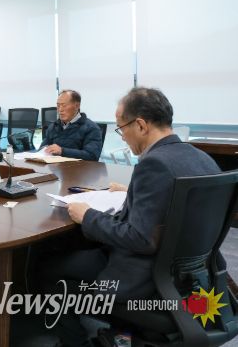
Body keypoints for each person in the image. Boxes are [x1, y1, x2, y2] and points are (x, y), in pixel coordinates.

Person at [38, 87, 220, 346]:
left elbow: (140, 238)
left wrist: (88, 215)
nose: (122, 136)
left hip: (144, 278)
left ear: (141, 125)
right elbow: (175, 204)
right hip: (188, 278)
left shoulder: (154, 164)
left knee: (48, 268)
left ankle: (75, 342)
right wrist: (132, 193)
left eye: (122, 128)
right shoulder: (202, 159)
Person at [39, 89, 103, 161]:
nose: (60, 109)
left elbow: (92, 156)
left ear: (77, 106)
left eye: (64, 105)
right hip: (54, 166)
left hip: (77, 167)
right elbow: (42, 149)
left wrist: (62, 151)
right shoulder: (53, 126)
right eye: (58, 105)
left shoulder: (91, 128)